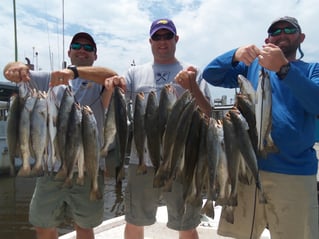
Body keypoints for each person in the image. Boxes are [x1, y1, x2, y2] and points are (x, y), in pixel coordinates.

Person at [202, 16, 319, 239]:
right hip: (245, 169)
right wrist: (235, 54)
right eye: (275, 31)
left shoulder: (312, 70)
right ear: (267, 39)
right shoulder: (251, 67)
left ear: (301, 37)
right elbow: (211, 74)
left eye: (289, 29)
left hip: (293, 174)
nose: (282, 33)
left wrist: (284, 69)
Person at [104, 18, 212, 239]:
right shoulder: (135, 73)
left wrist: (191, 86)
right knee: (135, 220)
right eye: (157, 37)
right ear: (150, 41)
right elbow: (112, 107)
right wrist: (112, 86)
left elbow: (208, 113)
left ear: (176, 39)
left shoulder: (193, 72)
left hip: (182, 161)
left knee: (186, 224)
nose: (162, 41)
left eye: (167, 36)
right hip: (141, 160)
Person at [3, 32, 118, 239]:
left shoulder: (100, 82)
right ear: (69, 51)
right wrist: (15, 66)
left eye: (88, 48)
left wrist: (74, 72)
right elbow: (11, 71)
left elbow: (112, 76)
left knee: (84, 226)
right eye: (77, 46)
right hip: (50, 171)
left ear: (95, 56)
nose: (82, 50)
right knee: (42, 225)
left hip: (86, 167)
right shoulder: (48, 78)